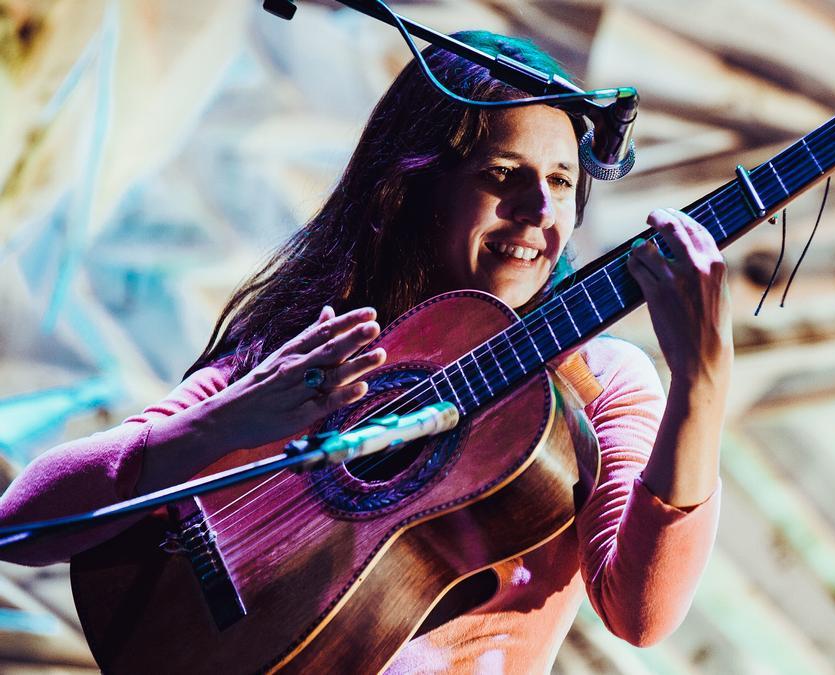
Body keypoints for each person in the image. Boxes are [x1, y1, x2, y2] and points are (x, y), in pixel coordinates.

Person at [0, 31, 730, 672]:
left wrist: (702, 386)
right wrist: (227, 420)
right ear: (408, 189)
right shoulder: (324, 341)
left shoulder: (598, 384)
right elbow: (23, 524)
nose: (541, 211)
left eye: (563, 182)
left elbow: (641, 613)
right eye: (503, 175)